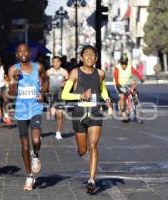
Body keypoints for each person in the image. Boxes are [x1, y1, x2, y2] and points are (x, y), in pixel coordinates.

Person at [61, 45, 111, 194]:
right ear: (81, 58)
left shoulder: (101, 73)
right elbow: (65, 94)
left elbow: (102, 89)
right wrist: (80, 95)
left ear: (96, 58)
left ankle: (91, 180)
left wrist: (107, 99)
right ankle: (81, 148)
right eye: (86, 54)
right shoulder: (75, 73)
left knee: (93, 145)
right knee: (83, 150)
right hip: (78, 114)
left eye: (92, 54)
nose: (89, 57)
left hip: (95, 113)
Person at [8, 43, 48, 191]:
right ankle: (29, 176)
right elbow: (11, 93)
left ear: (30, 53)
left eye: (26, 51)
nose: (23, 53)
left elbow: (45, 81)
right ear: (16, 55)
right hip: (21, 110)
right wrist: (14, 79)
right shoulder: (13, 69)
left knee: (36, 139)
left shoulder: (38, 67)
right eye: (20, 51)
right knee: (24, 146)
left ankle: (35, 155)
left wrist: (43, 92)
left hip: (35, 107)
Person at [113, 54, 144, 119]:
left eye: (125, 63)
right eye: (122, 63)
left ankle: (135, 98)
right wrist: (118, 86)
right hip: (119, 84)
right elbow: (116, 78)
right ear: (120, 63)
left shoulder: (130, 67)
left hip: (128, 82)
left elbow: (136, 73)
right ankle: (123, 112)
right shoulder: (117, 68)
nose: (124, 65)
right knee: (122, 97)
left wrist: (141, 78)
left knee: (133, 84)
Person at [46, 56, 68, 140]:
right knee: (52, 114)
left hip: (60, 96)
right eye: (54, 62)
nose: (55, 63)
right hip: (51, 96)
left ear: (60, 62)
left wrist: (65, 83)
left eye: (57, 61)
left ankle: (58, 132)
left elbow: (69, 82)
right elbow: (44, 82)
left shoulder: (64, 72)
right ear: (52, 63)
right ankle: (53, 112)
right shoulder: (48, 72)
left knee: (60, 115)